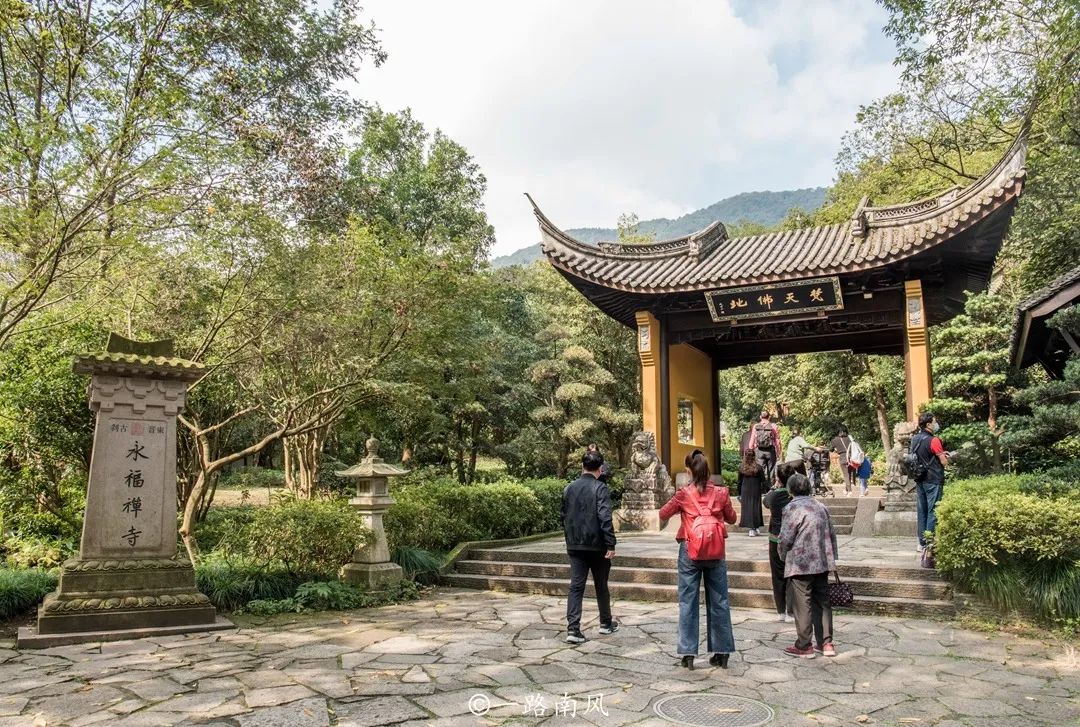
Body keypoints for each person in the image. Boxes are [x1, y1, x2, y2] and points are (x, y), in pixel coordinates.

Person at [658, 451, 737, 670]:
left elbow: (663, 513)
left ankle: (688, 654)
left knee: (688, 601)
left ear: (689, 470)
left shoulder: (684, 494)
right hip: (716, 551)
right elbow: (732, 518)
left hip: (689, 550)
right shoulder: (721, 493)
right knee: (719, 600)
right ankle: (722, 653)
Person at [560, 450, 618, 643]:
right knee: (601, 585)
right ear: (601, 468)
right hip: (597, 545)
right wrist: (610, 543)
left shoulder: (569, 488)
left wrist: (570, 538)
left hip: (575, 545)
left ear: (582, 466)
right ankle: (605, 623)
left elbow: (563, 516)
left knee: (576, 587)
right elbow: (604, 517)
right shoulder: (600, 488)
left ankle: (573, 629)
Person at [778, 473, 838, 658]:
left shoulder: (792, 508)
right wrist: (832, 558)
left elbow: (786, 537)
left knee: (802, 603)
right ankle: (826, 643)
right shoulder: (820, 506)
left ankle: (804, 645)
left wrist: (782, 554)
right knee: (822, 602)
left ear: (790, 489)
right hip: (821, 560)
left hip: (801, 562)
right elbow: (832, 533)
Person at [763, 462, 797, 621]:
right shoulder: (795, 496)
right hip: (793, 540)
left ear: (778, 478)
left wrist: (775, 486)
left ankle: (780, 611)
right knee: (792, 574)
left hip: (775, 538)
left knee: (777, 575)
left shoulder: (774, 495)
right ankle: (791, 611)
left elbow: (765, 501)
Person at [911, 411, 949, 553]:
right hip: (933, 479)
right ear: (928, 424)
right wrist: (947, 459)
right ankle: (930, 543)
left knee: (922, 511)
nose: (936, 424)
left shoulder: (915, 439)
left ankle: (921, 543)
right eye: (934, 422)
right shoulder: (934, 440)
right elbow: (943, 461)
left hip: (919, 478)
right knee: (933, 510)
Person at [736, 450, 765, 537]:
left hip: (745, 490)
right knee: (756, 508)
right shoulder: (758, 468)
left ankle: (752, 528)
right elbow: (763, 480)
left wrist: (739, 493)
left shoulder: (741, 468)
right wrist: (765, 490)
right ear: (754, 456)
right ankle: (755, 527)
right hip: (756, 490)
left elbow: (739, 482)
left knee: (747, 509)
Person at [750, 411, 782, 484]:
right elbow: (777, 440)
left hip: (759, 450)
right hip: (770, 451)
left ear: (760, 417)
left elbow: (752, 439)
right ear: (769, 417)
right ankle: (771, 487)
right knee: (771, 470)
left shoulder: (756, 426)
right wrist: (778, 452)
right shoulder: (773, 426)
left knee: (760, 469)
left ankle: (762, 487)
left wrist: (751, 449)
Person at [829, 426, 857, 494]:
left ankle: (849, 491)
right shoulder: (850, 438)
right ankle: (846, 490)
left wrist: (836, 449)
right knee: (849, 473)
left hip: (843, 457)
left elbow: (831, 449)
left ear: (838, 432)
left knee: (846, 474)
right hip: (852, 457)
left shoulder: (835, 440)